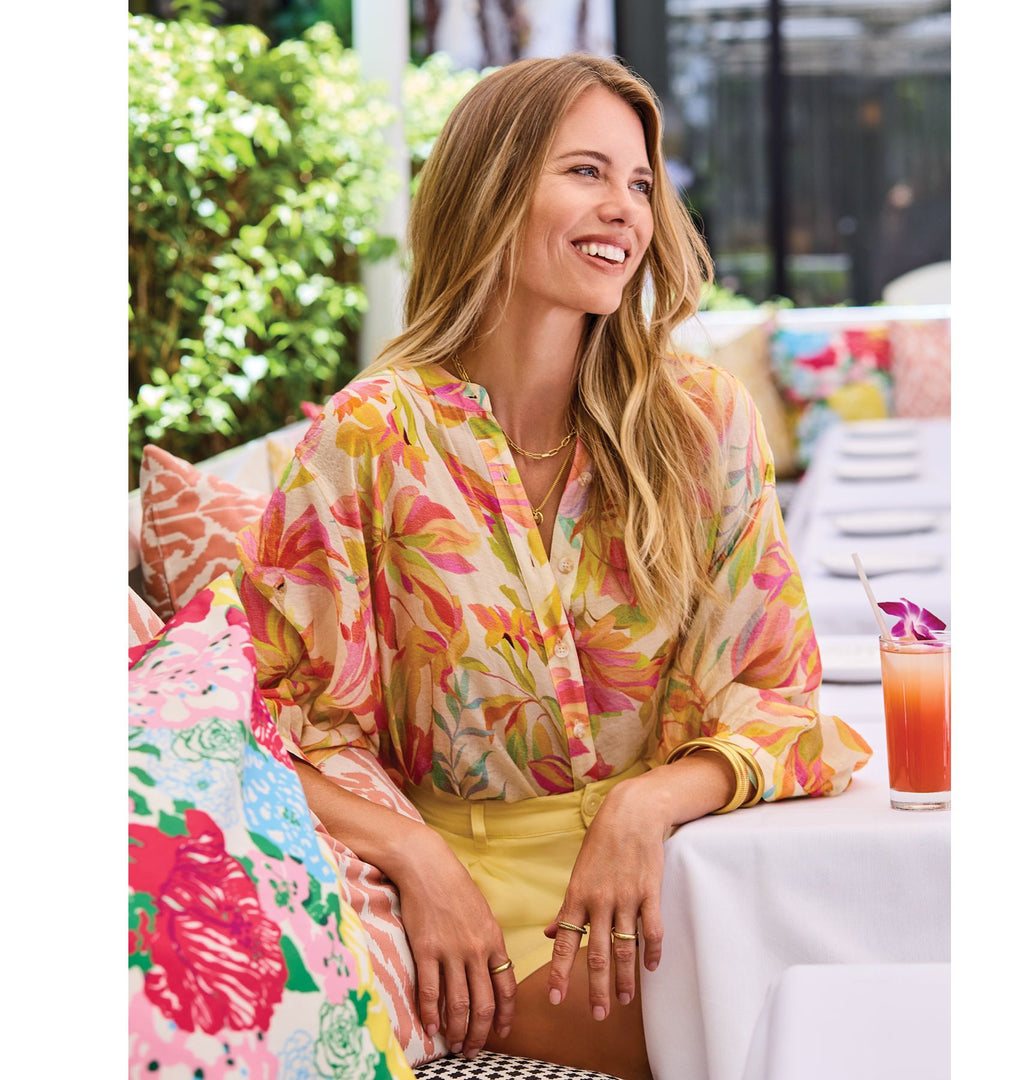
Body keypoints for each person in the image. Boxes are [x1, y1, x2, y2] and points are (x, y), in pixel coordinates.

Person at [235, 53, 871, 1080]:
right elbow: (269, 724)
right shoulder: (369, 439)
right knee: (799, 1032)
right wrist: (418, 856)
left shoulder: (699, 419)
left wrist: (644, 804)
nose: (626, 208)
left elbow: (779, 695)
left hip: (674, 870)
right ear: (491, 189)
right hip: (463, 909)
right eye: (586, 171)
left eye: (641, 183)